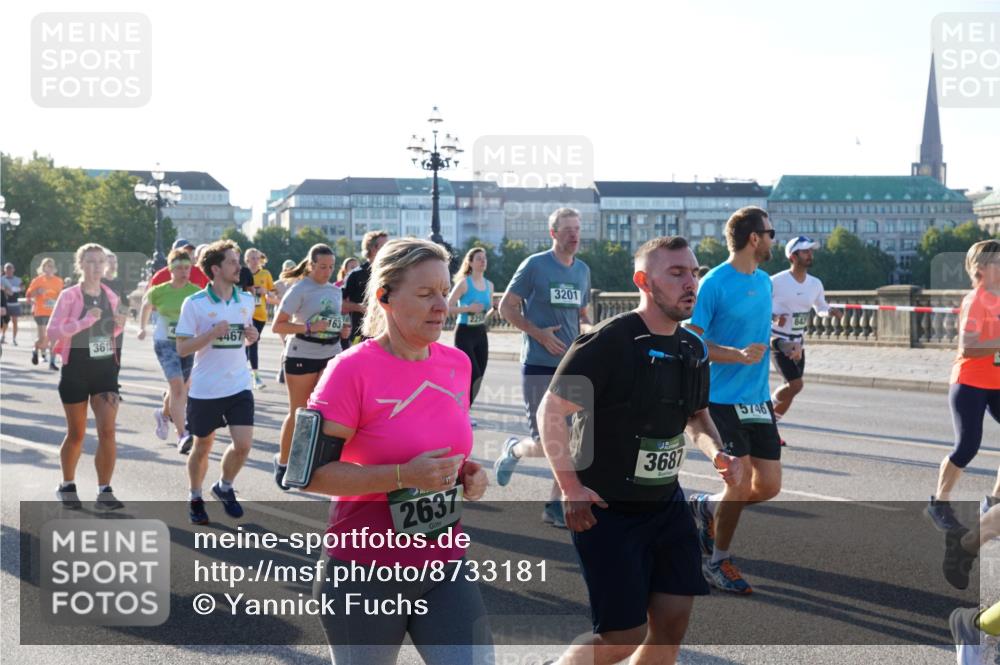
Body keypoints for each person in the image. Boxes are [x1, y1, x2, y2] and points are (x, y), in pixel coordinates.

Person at [538, 236, 740, 665]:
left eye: (695, 272)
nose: (692, 283)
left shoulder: (692, 348)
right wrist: (570, 487)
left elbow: (698, 417)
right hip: (607, 508)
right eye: (677, 273)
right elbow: (551, 412)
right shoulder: (608, 344)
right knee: (622, 637)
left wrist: (717, 453)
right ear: (644, 281)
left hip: (666, 505)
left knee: (671, 625)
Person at [304, 237, 491, 665]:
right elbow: (309, 474)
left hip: (445, 565)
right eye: (426, 294)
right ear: (386, 297)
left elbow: (441, 450)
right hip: (363, 571)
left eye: (444, 292)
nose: (441, 305)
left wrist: (469, 475)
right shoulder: (349, 370)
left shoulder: (457, 363)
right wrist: (403, 477)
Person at [685, 206, 780, 595]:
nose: (774, 238)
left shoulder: (766, 282)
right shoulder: (714, 283)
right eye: (770, 232)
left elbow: (759, 330)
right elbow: (692, 340)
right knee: (738, 483)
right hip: (721, 400)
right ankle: (717, 561)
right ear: (754, 238)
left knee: (769, 486)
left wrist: (783, 348)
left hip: (758, 400)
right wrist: (736, 354)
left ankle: (705, 506)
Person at [494, 207, 591, 528]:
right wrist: (538, 334)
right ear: (553, 233)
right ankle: (514, 449)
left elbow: (582, 313)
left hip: (572, 366)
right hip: (538, 363)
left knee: (573, 442)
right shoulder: (534, 265)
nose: (574, 234)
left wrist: (588, 332)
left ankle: (554, 505)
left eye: (577, 228)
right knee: (546, 442)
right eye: (567, 229)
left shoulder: (583, 270)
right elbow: (506, 306)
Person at [174, 240, 259, 524]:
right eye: (233, 262)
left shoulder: (246, 300)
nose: (239, 267)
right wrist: (211, 334)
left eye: (238, 261)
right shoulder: (195, 303)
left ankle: (224, 486)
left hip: (238, 384)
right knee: (202, 446)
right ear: (216, 268)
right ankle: (195, 496)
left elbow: (244, 338)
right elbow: (182, 348)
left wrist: (252, 336)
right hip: (206, 388)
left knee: (244, 444)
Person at [927, 239, 1000, 531]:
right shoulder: (976, 299)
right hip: (969, 382)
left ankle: (994, 502)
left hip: (995, 382)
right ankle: (939, 503)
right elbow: (968, 347)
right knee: (968, 445)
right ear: (981, 269)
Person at [47, 244, 127, 510]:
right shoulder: (70, 296)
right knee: (77, 434)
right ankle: (67, 485)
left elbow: (110, 334)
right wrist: (83, 322)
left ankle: (105, 491)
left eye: (100, 262)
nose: (96, 267)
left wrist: (117, 326)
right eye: (90, 262)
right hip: (76, 371)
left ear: (106, 266)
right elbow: (53, 332)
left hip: (105, 371)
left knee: (108, 431)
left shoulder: (111, 296)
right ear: (80, 265)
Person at [271, 243, 346, 490]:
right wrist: (310, 328)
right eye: (322, 266)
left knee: (326, 411)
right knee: (299, 411)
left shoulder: (335, 291)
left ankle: (313, 464)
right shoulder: (299, 289)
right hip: (301, 352)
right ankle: (283, 463)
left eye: (331, 267)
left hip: (331, 352)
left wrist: (340, 328)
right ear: (311, 265)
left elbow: (331, 320)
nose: (327, 271)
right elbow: (278, 326)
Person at [769, 236, 842, 444]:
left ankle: (770, 429)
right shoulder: (776, 282)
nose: (810, 255)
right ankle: (766, 413)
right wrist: (774, 317)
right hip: (777, 339)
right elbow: (759, 307)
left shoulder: (815, 283)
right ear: (793, 256)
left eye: (811, 251)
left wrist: (830, 312)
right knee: (796, 384)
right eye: (805, 251)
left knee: (792, 389)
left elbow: (820, 308)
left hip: (799, 341)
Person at [138, 248, 200, 453]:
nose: (184, 271)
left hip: (187, 343)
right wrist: (142, 328)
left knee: (181, 387)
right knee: (178, 387)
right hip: (165, 342)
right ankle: (182, 435)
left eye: (187, 267)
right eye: (180, 268)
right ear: (171, 269)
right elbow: (145, 306)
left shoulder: (195, 291)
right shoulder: (159, 290)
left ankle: (163, 414)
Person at [448, 247, 494, 421]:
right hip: (464, 333)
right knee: (471, 373)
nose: (483, 261)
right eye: (479, 259)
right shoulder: (464, 283)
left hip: (480, 333)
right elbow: (447, 307)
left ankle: (464, 412)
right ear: (471, 263)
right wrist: (468, 308)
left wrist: (492, 310)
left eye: (485, 258)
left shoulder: (490, 285)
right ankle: (460, 413)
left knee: (479, 375)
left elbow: (485, 312)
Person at [343, 230, 389, 345]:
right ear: (374, 248)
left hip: (385, 335)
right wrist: (359, 307)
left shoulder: (390, 274)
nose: (389, 249)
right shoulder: (355, 274)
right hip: (360, 336)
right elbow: (339, 303)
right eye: (385, 246)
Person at [243, 247, 276, 390]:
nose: (255, 261)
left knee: (250, 343)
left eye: (257, 258)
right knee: (250, 343)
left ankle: (245, 372)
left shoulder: (265, 274)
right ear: (247, 260)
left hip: (260, 315)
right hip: (245, 314)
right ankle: (254, 376)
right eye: (252, 258)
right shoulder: (242, 274)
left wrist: (266, 291)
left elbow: (274, 293)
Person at [26, 257, 64, 370]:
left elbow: (61, 296)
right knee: (43, 339)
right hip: (41, 312)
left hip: (54, 313)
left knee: (53, 338)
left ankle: (52, 363)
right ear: (43, 268)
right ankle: (35, 348)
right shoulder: (38, 280)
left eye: (52, 265)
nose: (50, 268)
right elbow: (28, 295)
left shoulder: (59, 281)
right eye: (48, 265)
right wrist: (37, 292)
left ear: (54, 268)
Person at [273, 259, 300, 385]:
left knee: (291, 344)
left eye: (292, 268)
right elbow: (268, 297)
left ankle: (287, 371)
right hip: (281, 318)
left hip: (294, 318)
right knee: (286, 344)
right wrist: (282, 303)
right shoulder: (278, 284)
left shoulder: (299, 283)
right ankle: (283, 372)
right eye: (287, 268)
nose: (289, 271)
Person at [1, 263, 23, 345]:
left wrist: (10, 289)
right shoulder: (1, 279)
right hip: (4, 304)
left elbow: (21, 289)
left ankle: (14, 339)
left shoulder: (18, 279)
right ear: (4, 270)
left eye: (10, 268)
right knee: (4, 322)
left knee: (15, 321)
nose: (9, 270)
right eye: (7, 268)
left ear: (13, 269)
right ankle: (2, 336)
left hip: (15, 304)